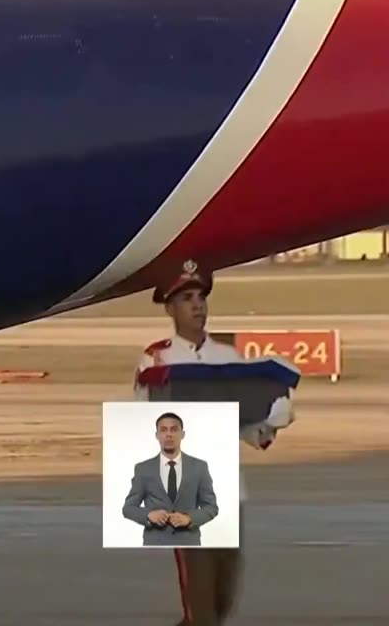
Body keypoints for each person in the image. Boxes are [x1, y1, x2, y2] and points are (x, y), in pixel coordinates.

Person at [133, 259, 295, 625]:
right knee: (201, 606)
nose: (198, 305)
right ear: (170, 307)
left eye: (201, 297)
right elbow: (146, 422)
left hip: (228, 493)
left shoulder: (229, 357)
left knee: (222, 600)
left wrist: (273, 417)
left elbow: (250, 430)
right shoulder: (157, 359)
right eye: (187, 298)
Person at [122, 411, 219, 546]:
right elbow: (128, 508)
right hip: (154, 545)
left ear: (182, 434)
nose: (169, 434)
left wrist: (189, 518)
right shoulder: (143, 469)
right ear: (157, 435)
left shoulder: (199, 467)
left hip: (189, 544)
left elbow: (211, 507)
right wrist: (149, 515)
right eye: (163, 430)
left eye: (174, 429)